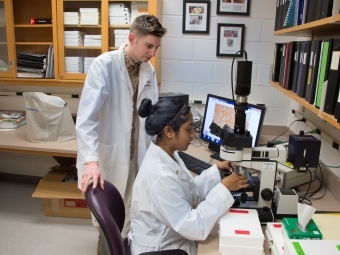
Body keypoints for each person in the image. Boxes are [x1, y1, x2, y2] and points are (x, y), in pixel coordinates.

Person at [75, 14, 167, 239]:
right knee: (108, 222)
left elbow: (150, 115)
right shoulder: (104, 65)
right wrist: (91, 162)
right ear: (132, 38)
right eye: (148, 46)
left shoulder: (148, 70)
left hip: (137, 154)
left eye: (156, 48)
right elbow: (86, 119)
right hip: (109, 156)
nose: (152, 54)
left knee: (131, 216)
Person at [128, 98, 249, 254]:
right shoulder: (159, 176)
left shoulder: (169, 155)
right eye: (189, 128)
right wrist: (224, 189)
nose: (193, 134)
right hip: (162, 249)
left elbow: (187, 191)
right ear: (169, 131)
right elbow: (195, 227)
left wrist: (215, 172)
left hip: (173, 238)